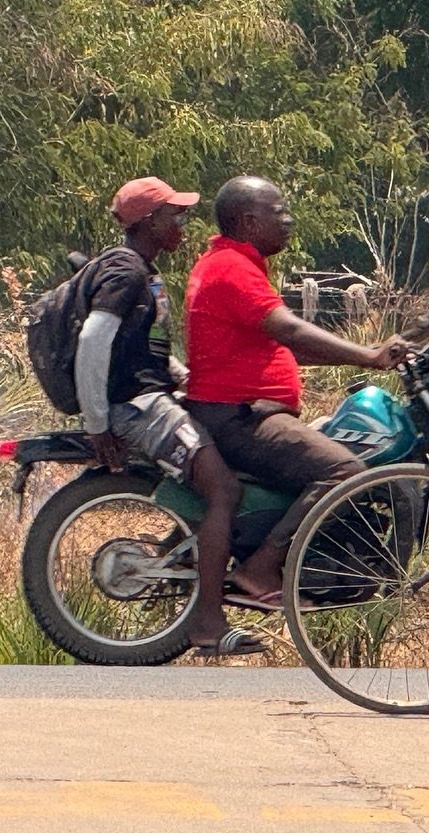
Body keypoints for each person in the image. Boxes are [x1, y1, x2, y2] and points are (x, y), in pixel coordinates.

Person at [182, 175, 409, 602]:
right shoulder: (231, 268)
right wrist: (370, 356)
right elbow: (289, 329)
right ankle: (262, 568)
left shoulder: (232, 262)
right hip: (240, 416)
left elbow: (290, 345)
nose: (288, 220)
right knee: (345, 472)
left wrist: (368, 354)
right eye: (278, 212)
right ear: (249, 222)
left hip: (241, 411)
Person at [75, 176, 266, 657]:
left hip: (151, 396)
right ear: (147, 222)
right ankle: (208, 623)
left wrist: (186, 378)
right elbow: (93, 342)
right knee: (223, 489)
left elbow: (147, 351)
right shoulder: (125, 270)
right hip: (137, 407)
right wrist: (97, 422)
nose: (181, 222)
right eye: (172, 214)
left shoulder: (144, 270)